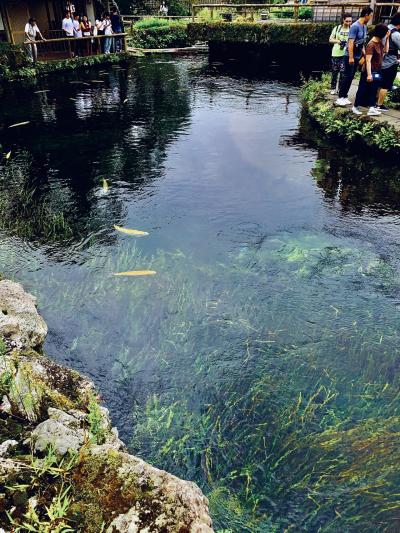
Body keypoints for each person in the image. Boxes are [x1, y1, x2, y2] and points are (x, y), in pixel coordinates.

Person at [335, 6, 373, 106]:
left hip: (358, 55)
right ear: (366, 15)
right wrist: (351, 57)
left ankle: (345, 96)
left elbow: (362, 43)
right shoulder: (355, 26)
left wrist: (365, 55)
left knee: (351, 76)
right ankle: (340, 97)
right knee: (347, 76)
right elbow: (351, 43)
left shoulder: (364, 26)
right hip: (349, 55)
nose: (371, 17)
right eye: (371, 15)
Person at [352, 23, 389, 116]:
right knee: (362, 89)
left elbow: (386, 51)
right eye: (385, 33)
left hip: (377, 70)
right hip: (368, 71)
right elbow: (368, 61)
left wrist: (387, 38)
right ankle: (355, 106)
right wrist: (369, 74)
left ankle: (372, 107)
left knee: (373, 89)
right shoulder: (371, 44)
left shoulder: (379, 42)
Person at [376, 12, 400, 111]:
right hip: (390, 62)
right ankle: (379, 105)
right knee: (386, 85)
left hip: (379, 60)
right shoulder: (396, 34)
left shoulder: (384, 28)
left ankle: (374, 102)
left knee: (379, 83)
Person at [329, 13, 352, 95]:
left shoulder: (351, 29)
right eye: (347, 21)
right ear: (343, 20)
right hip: (336, 53)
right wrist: (338, 41)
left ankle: (340, 88)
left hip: (345, 54)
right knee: (334, 71)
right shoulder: (337, 28)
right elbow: (330, 39)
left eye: (350, 21)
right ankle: (332, 88)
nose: (348, 23)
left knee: (343, 72)